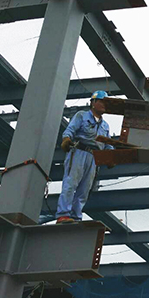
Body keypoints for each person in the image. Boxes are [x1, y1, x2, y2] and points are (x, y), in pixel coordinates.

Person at [56, 90, 114, 224]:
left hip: (94, 158)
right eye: (102, 101)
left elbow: (107, 144)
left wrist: (111, 157)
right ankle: (63, 214)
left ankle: (76, 216)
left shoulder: (105, 125)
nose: (105, 105)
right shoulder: (81, 116)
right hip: (78, 152)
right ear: (93, 102)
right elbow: (70, 130)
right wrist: (66, 139)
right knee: (71, 183)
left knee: (84, 189)